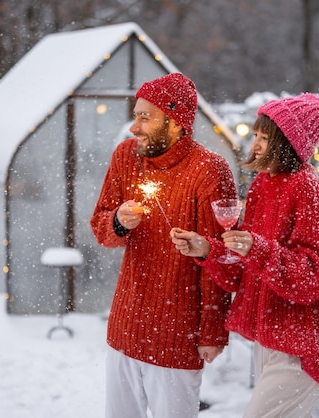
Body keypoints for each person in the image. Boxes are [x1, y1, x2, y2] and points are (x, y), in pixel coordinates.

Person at [170, 93, 319, 418]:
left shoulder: (307, 190)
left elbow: (318, 275)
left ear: (287, 142)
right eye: (255, 135)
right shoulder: (264, 186)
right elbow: (245, 270)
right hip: (272, 336)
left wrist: (258, 249)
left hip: (302, 344)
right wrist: (208, 249)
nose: (254, 144)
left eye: (264, 137)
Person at [90, 72, 237, 418]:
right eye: (135, 115)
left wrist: (212, 331)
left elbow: (223, 258)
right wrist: (117, 222)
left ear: (175, 123)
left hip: (177, 336)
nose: (133, 127)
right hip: (125, 328)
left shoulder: (210, 171)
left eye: (145, 117)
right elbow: (99, 227)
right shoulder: (126, 157)